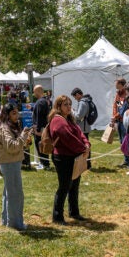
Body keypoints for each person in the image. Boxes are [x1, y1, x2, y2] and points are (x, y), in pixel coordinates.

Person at [48, 95, 90, 224]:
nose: (68, 107)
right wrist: (83, 148)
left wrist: (86, 144)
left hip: (74, 157)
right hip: (63, 158)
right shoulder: (57, 120)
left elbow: (79, 133)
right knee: (64, 187)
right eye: (65, 104)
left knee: (74, 186)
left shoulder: (69, 119)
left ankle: (74, 212)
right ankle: (57, 216)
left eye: (70, 104)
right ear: (58, 106)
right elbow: (67, 137)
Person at [0, 103, 32, 231]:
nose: (17, 116)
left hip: (12, 163)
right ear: (6, 115)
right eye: (13, 113)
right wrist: (23, 137)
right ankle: (15, 223)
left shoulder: (10, 126)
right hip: (9, 164)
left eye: (17, 112)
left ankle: (6, 220)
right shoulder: (4, 128)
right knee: (15, 195)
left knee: (9, 193)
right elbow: (11, 146)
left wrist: (25, 141)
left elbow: (17, 146)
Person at [113, 79, 129, 169]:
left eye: (116, 84)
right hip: (119, 120)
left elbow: (124, 108)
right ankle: (126, 160)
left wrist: (116, 115)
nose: (115, 85)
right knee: (122, 142)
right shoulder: (118, 94)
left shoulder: (127, 94)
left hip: (125, 121)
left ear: (121, 84)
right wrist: (114, 116)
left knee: (127, 141)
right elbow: (116, 105)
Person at [31, 85, 51, 170]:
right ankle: (44, 162)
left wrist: (38, 129)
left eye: (34, 91)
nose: (34, 93)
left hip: (40, 128)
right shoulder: (44, 101)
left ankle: (44, 163)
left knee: (40, 145)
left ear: (39, 91)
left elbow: (39, 116)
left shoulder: (40, 102)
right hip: (43, 127)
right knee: (42, 145)